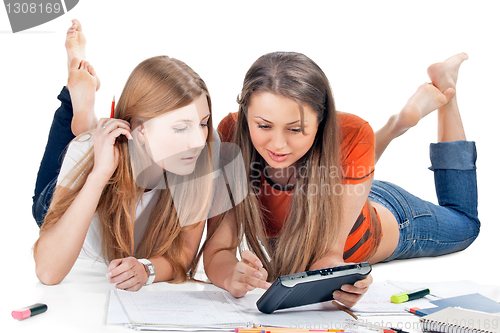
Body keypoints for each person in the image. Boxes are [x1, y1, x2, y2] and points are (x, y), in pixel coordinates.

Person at [203, 51, 479, 308]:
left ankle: (448, 96)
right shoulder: (231, 135)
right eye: (263, 125)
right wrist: (230, 276)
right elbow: (218, 249)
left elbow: (328, 254)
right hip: (351, 184)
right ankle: (396, 126)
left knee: (466, 224)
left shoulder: (350, 131)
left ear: (321, 122)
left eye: (295, 129)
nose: (277, 144)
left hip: (394, 217)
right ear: (246, 115)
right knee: (347, 155)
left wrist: (339, 280)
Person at [32, 20, 218, 291]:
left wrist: (147, 270)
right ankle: (77, 105)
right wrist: (99, 175)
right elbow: (48, 272)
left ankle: (90, 123)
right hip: (66, 199)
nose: (198, 141)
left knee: (88, 139)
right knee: (51, 192)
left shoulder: (204, 155)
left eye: (203, 123)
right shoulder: (89, 155)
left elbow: (183, 256)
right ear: (141, 132)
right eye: (180, 128)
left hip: (116, 148)